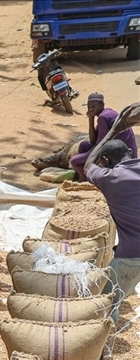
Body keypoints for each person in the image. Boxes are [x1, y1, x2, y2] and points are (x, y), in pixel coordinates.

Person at [83, 101, 140, 322]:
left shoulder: (110, 178)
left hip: (132, 255)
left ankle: (102, 350)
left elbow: (88, 165)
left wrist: (114, 130)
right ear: (129, 151)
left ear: (105, 161)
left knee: (105, 305)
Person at [70, 93, 138, 179]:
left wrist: (89, 156)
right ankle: (87, 171)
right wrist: (91, 119)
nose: (90, 109)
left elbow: (100, 145)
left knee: (74, 161)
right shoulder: (106, 113)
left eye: (93, 106)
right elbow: (92, 141)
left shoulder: (103, 117)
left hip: (122, 154)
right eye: (89, 107)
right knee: (83, 145)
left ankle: (88, 180)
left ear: (102, 105)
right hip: (118, 148)